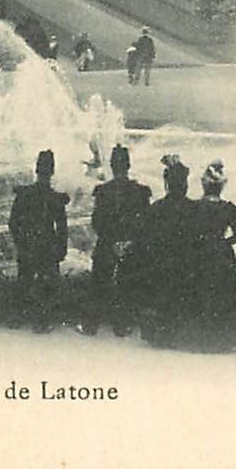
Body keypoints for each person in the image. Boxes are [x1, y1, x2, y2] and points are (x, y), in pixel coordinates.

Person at [130, 154, 200, 349]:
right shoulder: (194, 208)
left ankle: (160, 333)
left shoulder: (157, 208)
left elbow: (143, 239)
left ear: (167, 185)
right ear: (185, 185)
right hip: (186, 265)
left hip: (160, 265)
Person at [80, 144, 149, 337]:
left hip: (107, 243)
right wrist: (128, 241)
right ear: (128, 165)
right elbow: (144, 221)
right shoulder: (141, 191)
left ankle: (90, 325)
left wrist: (111, 241)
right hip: (130, 245)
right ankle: (122, 324)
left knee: (99, 282)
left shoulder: (103, 191)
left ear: (111, 165)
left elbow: (97, 221)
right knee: (127, 283)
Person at [8, 150, 69, 333]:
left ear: (36, 171)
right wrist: (61, 249)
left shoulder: (24, 194)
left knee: (24, 281)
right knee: (48, 285)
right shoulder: (56, 198)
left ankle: (17, 317)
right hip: (48, 246)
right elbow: (62, 227)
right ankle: (42, 321)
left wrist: (21, 242)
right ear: (52, 172)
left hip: (28, 244)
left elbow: (13, 222)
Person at [194, 160, 236, 352]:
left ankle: (201, 337)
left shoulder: (195, 207)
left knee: (200, 292)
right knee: (223, 294)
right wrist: (224, 243)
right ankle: (222, 338)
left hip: (200, 252)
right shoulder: (228, 208)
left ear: (204, 185)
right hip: (222, 254)